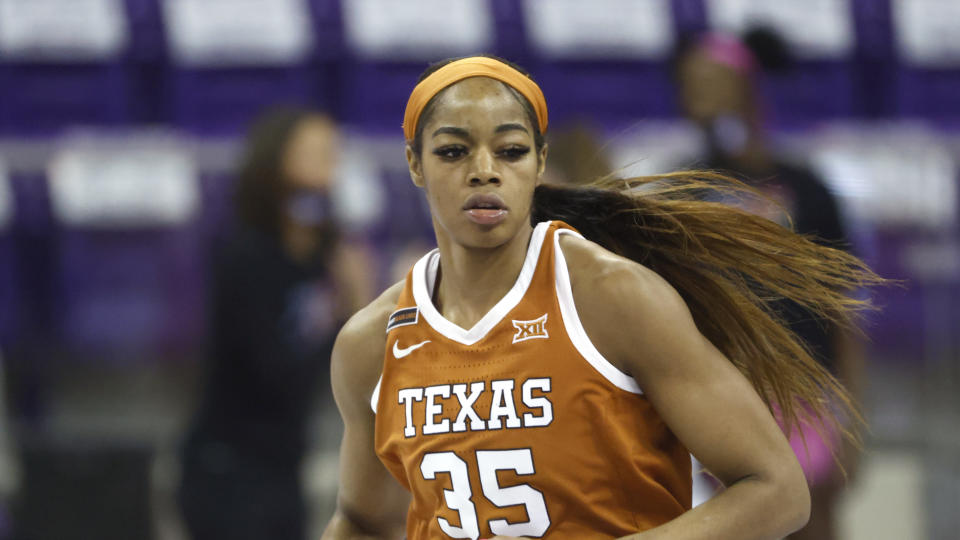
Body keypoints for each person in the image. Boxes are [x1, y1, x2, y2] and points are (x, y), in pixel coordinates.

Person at [321, 55, 881, 540]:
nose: (484, 172)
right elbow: (362, 522)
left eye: (511, 151)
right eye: (453, 152)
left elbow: (778, 490)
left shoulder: (611, 296)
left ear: (540, 164)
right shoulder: (371, 343)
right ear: (415, 164)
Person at [674, 31, 865, 539]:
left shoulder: (808, 188)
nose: (697, 97)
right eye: (690, 86)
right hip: (729, 394)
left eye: (709, 83)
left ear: (745, 86)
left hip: (805, 392)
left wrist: (853, 416)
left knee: (812, 518)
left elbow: (843, 308)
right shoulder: (686, 187)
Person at [178, 107, 372, 540]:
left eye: (332, 153)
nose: (328, 167)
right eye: (313, 153)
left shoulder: (324, 257)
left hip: (283, 467)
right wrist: (349, 312)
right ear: (276, 165)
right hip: (228, 471)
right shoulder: (247, 258)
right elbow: (278, 371)